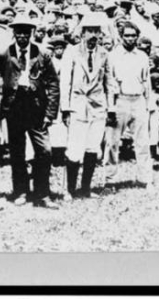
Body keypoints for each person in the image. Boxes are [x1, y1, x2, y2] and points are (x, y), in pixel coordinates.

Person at [0, 15, 60, 208]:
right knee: (17, 152)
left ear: (31, 33)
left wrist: (50, 113)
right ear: (14, 33)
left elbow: (53, 83)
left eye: (26, 32)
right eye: (18, 32)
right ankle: (20, 191)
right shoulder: (4, 52)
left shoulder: (42, 53)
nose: (22, 36)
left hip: (36, 107)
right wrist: (2, 87)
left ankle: (42, 194)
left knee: (44, 151)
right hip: (14, 107)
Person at [60, 12, 115, 200]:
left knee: (92, 148)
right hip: (77, 105)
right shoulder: (72, 52)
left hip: (98, 107)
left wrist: (111, 108)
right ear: (82, 33)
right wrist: (65, 108)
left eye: (96, 31)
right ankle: (69, 189)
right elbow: (65, 81)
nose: (93, 35)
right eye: (89, 31)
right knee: (74, 149)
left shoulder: (104, 54)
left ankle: (85, 188)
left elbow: (109, 82)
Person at [103, 21, 153, 188]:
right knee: (112, 142)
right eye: (127, 36)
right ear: (120, 36)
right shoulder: (113, 56)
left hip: (138, 100)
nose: (130, 39)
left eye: (133, 35)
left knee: (142, 142)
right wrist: (110, 108)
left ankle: (144, 178)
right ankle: (110, 179)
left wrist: (148, 104)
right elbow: (110, 84)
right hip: (120, 101)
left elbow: (147, 82)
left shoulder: (143, 56)